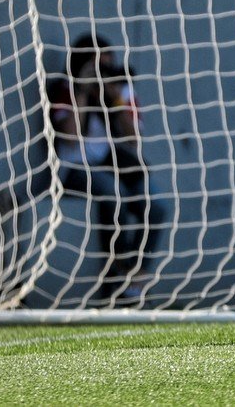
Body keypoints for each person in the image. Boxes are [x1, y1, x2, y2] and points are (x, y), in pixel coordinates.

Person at [47, 32, 167, 302]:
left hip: (111, 165)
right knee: (114, 192)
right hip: (74, 168)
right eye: (98, 66)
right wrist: (82, 90)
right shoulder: (66, 89)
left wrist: (113, 99)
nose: (104, 73)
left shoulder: (120, 90)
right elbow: (69, 136)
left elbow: (133, 139)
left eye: (107, 66)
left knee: (156, 205)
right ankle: (119, 270)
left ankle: (134, 274)